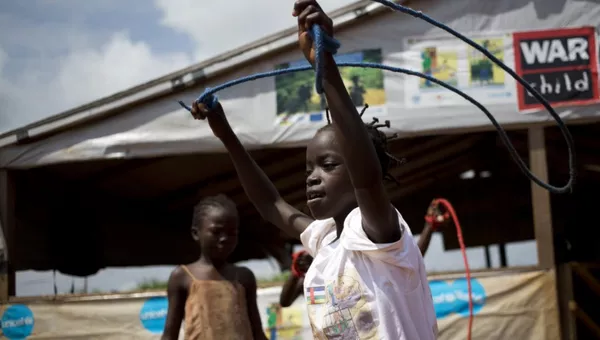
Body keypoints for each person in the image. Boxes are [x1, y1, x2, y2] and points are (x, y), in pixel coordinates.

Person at [188, 1, 437, 338]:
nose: (312, 176)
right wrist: (225, 133)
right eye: (309, 168)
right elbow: (270, 205)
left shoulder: (377, 233)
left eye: (328, 164)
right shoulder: (324, 240)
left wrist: (324, 63)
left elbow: (366, 178)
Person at [279, 199, 450, 307]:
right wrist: (296, 273)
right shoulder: (315, 271)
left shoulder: (361, 253)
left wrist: (429, 227)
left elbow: (406, 262)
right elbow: (285, 302)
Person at [161, 195, 267, 340]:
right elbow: (169, 336)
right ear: (196, 233)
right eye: (216, 232)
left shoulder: (244, 277)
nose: (224, 238)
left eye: (232, 233)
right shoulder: (182, 276)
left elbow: (257, 333)